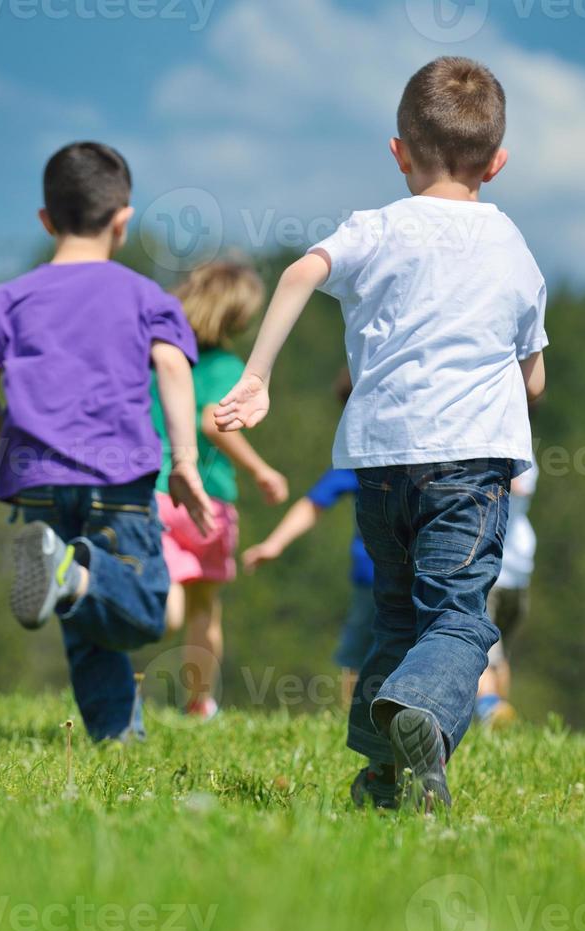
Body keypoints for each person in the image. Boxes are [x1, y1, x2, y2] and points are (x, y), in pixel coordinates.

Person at [215, 57, 548, 811]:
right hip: (468, 466)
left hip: (379, 464)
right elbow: (530, 376)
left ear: (398, 151)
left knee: (396, 614)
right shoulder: (513, 249)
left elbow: (303, 271)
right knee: (456, 618)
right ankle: (421, 711)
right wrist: (523, 387)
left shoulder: (375, 227)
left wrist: (259, 374)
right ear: (496, 163)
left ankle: (380, 779)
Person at [0, 142, 215, 743]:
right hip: (116, 473)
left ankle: (117, 739)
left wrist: (7, 429)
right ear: (122, 220)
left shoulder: (9, 297)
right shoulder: (145, 296)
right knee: (145, 605)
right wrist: (185, 461)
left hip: (36, 479)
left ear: (46, 220)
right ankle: (72, 578)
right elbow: (174, 369)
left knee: (81, 616)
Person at [150, 260, 288, 719]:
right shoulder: (227, 365)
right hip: (208, 500)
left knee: (167, 588)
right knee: (204, 607)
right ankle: (200, 702)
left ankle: (142, 604)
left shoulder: (158, 356)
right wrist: (261, 469)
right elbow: (214, 420)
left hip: (155, 489)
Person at [243, 371, 371, 707]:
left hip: (379, 575)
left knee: (361, 653)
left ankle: (358, 722)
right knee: (363, 653)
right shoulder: (360, 458)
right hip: (376, 577)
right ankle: (357, 722)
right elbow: (314, 504)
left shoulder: (362, 456)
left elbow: (313, 504)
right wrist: (274, 543)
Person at [477, 462, 537, 728]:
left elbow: (514, 488)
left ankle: (493, 713)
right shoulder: (526, 450)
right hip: (515, 567)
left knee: (492, 651)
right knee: (494, 651)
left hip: (498, 567)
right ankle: (494, 714)